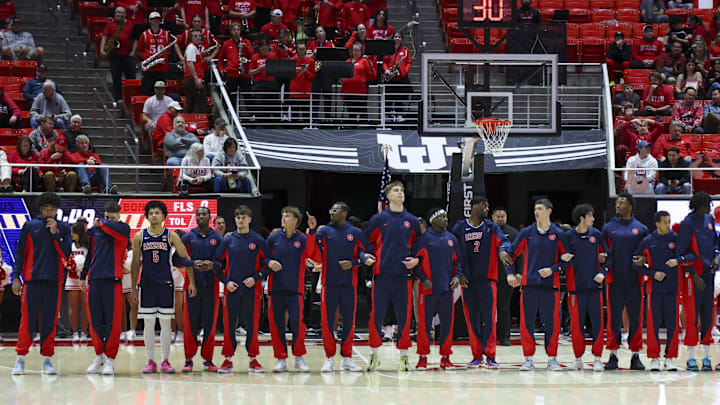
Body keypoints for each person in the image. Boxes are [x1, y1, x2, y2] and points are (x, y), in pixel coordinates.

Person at [130, 200, 207, 374]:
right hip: (147, 285)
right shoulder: (139, 236)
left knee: (166, 322)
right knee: (148, 323)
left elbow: (186, 258)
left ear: (164, 216)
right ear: (147, 216)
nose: (154, 215)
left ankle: (165, 360)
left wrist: (192, 281)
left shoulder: (171, 236)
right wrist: (134, 287)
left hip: (166, 284)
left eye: (158, 212)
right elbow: (135, 263)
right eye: (151, 213)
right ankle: (151, 361)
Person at [305, 202, 375, 372]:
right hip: (328, 284)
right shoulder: (324, 231)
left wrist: (353, 263)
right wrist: (313, 231)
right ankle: (329, 358)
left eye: (335, 210)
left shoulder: (355, 233)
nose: (331, 213)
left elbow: (368, 254)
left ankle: (347, 358)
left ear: (344, 212)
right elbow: (312, 253)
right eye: (330, 210)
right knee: (327, 322)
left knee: (349, 322)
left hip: (349, 285)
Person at [214, 204, 281, 373]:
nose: (240, 220)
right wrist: (226, 281)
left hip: (252, 291)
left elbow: (267, 264)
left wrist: (256, 278)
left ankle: (253, 359)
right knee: (229, 325)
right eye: (238, 217)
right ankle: (227, 359)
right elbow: (216, 264)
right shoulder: (228, 240)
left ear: (250, 219)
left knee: (252, 325)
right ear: (235, 220)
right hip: (232, 290)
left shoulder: (258, 240)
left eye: (243, 217)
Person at [11, 192, 71, 375]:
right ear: (41, 208)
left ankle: (47, 359)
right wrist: (16, 277)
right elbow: (20, 253)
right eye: (46, 208)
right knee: (27, 321)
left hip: (54, 281)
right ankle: (20, 358)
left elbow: (66, 253)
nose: (49, 212)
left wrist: (55, 235)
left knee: (50, 321)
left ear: (57, 210)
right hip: (32, 280)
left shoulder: (63, 228)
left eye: (53, 209)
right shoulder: (30, 226)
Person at [364, 180, 421, 371]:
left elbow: (419, 248)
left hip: (403, 276)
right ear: (387, 196)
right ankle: (374, 355)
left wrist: (417, 260)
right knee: (376, 316)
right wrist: (366, 256)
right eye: (396, 190)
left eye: (402, 191)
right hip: (381, 275)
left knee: (404, 318)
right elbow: (365, 241)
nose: (400, 193)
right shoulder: (379, 219)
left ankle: (404, 356)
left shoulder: (412, 220)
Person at [508, 199, 570, 371]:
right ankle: (528, 358)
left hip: (551, 286)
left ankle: (552, 359)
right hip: (529, 285)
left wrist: (553, 269)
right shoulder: (527, 232)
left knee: (552, 323)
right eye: (535, 209)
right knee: (526, 323)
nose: (537, 212)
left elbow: (568, 260)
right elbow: (510, 254)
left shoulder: (558, 234)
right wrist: (510, 273)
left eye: (540, 209)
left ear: (549, 211)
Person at [451, 196, 512, 369]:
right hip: (468, 281)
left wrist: (502, 251)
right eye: (484, 206)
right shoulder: (460, 227)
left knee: (489, 319)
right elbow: (453, 251)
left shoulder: (491, 227)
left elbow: (504, 242)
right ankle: (476, 355)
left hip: (487, 280)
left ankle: (491, 356)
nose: (487, 209)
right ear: (474, 206)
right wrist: (459, 273)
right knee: (472, 319)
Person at [81, 201, 131, 376]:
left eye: (113, 217)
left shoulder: (123, 229)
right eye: (107, 217)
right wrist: (83, 276)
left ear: (118, 216)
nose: (110, 220)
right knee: (94, 321)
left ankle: (110, 359)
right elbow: (90, 254)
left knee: (113, 322)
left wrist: (101, 222)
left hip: (114, 280)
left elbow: (113, 228)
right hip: (94, 280)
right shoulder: (96, 231)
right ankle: (99, 355)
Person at [410, 208, 464, 370]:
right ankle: (422, 358)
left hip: (446, 289)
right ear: (433, 220)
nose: (446, 219)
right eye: (442, 217)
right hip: (428, 289)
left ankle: (446, 357)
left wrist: (457, 276)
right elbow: (415, 263)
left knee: (447, 324)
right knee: (424, 324)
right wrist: (424, 279)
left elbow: (458, 261)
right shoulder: (423, 239)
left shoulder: (451, 239)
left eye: (446, 217)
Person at [600, 193, 649, 370]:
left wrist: (645, 260)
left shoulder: (641, 228)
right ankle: (613, 355)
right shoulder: (607, 228)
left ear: (630, 206)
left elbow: (647, 252)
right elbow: (602, 251)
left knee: (636, 318)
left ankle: (635, 355)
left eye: (622, 203)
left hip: (635, 279)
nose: (618, 205)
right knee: (613, 318)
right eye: (617, 203)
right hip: (614, 279)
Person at [634, 211, 685, 372]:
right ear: (657, 223)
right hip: (654, 290)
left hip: (672, 289)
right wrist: (652, 273)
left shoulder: (676, 239)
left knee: (672, 325)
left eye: (669, 222)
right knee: (653, 325)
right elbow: (635, 262)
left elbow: (687, 255)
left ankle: (669, 358)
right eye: (665, 222)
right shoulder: (648, 241)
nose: (668, 225)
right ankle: (654, 358)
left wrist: (678, 261)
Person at [266, 207, 315, 372]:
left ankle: (299, 356)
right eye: (283, 215)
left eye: (287, 216)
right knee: (276, 325)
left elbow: (313, 254)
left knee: (298, 324)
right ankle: (281, 359)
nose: (284, 218)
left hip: (296, 289)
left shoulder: (302, 239)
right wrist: (267, 263)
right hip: (276, 288)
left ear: (296, 220)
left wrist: (313, 231)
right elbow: (263, 256)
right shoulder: (273, 239)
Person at [674, 192, 719, 371]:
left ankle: (707, 358)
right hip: (694, 278)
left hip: (709, 274)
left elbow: (716, 243)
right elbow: (680, 253)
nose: (710, 208)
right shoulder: (687, 224)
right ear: (699, 205)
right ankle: (691, 358)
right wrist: (693, 273)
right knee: (692, 317)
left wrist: (716, 258)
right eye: (708, 204)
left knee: (708, 316)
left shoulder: (708, 219)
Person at [564, 204, 610, 372]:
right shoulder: (568, 236)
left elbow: (609, 257)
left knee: (598, 323)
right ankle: (578, 358)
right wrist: (564, 259)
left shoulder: (596, 235)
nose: (593, 219)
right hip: (576, 288)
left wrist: (603, 272)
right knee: (576, 325)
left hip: (595, 287)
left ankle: (598, 358)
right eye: (591, 216)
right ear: (582, 218)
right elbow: (563, 259)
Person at [180, 206, 224, 373]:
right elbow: (178, 258)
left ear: (209, 217)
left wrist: (212, 265)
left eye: (204, 214)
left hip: (211, 287)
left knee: (209, 324)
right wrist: (193, 264)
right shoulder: (188, 237)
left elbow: (224, 263)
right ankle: (188, 359)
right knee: (190, 323)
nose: (200, 216)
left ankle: (208, 359)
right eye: (198, 214)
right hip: (192, 287)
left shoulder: (218, 239)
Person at [100, 7, 136, 103]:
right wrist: (102, 49)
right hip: (114, 55)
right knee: (116, 77)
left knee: (131, 78)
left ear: (125, 14)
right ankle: (118, 97)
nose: (119, 14)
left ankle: (131, 98)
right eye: (117, 12)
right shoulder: (110, 24)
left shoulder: (130, 24)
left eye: (121, 13)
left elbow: (136, 38)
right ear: (114, 13)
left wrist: (133, 51)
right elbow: (104, 36)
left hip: (127, 55)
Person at [135, 12, 173, 96]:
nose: (156, 21)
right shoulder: (144, 34)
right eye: (153, 19)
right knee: (147, 91)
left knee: (161, 91)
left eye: (157, 19)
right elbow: (139, 51)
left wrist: (162, 58)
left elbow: (169, 50)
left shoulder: (166, 34)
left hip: (162, 68)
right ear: (149, 21)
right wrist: (149, 58)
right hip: (149, 68)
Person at [65, 222, 89, 344]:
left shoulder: (87, 246)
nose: (71, 234)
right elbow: (65, 260)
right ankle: (74, 333)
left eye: (73, 232)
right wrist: (68, 265)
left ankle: (84, 332)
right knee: (73, 307)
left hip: (84, 279)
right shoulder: (69, 245)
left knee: (85, 308)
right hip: (72, 278)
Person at [218, 23, 253, 104]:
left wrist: (245, 47)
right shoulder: (226, 44)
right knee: (230, 96)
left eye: (238, 30)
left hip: (244, 73)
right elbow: (220, 59)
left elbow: (251, 54)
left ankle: (251, 115)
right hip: (231, 74)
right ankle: (230, 114)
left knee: (248, 96)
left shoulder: (246, 42)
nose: (236, 32)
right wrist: (221, 70)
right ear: (231, 32)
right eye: (234, 30)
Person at [342, 43, 376, 125]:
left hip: (360, 92)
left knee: (362, 113)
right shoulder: (347, 61)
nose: (356, 52)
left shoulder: (364, 61)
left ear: (361, 52)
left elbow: (372, 74)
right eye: (354, 50)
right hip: (348, 92)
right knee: (351, 115)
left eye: (358, 50)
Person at [383, 32, 412, 122]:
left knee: (400, 97)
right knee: (388, 98)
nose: (397, 38)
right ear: (393, 38)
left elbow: (408, 62)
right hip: (390, 78)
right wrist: (386, 70)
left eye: (399, 37)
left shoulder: (405, 50)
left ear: (402, 39)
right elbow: (384, 61)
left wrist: (405, 71)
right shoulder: (388, 49)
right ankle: (387, 115)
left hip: (401, 78)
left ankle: (399, 114)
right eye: (396, 36)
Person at [249, 40, 277, 124]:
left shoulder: (273, 56)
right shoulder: (254, 57)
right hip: (258, 83)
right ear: (259, 49)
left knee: (271, 103)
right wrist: (260, 69)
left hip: (270, 82)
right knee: (259, 103)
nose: (265, 51)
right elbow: (250, 72)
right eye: (263, 49)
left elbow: (277, 70)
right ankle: (259, 121)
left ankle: (271, 122)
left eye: (266, 49)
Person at [289, 42, 316, 125]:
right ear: (297, 50)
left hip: (306, 93)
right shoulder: (292, 60)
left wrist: (306, 72)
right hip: (294, 93)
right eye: (300, 49)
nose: (301, 51)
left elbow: (313, 77)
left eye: (303, 49)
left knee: (306, 117)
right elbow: (288, 75)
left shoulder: (311, 61)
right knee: (294, 117)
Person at [183, 29, 208, 114]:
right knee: (200, 102)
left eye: (199, 36)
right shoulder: (191, 48)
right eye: (195, 36)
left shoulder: (194, 48)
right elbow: (190, 63)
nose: (198, 38)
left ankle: (187, 119)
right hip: (192, 79)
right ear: (191, 37)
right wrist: (196, 78)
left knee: (190, 103)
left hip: (191, 78)